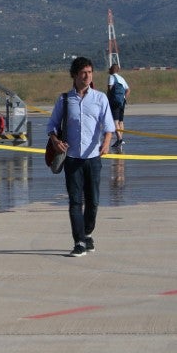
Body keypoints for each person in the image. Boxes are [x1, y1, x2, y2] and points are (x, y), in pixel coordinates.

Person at [47, 56, 114, 258]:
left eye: (90, 72)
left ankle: (87, 232)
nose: (87, 76)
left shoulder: (100, 98)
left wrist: (106, 141)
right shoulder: (65, 100)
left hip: (93, 158)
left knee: (93, 201)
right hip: (73, 159)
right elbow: (51, 126)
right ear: (75, 75)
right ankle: (78, 241)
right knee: (75, 201)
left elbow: (109, 126)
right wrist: (55, 141)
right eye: (83, 72)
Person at [107, 63, 130, 150]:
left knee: (115, 122)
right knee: (121, 121)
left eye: (110, 69)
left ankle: (119, 139)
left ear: (112, 70)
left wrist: (108, 99)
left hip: (115, 101)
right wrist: (124, 98)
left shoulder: (111, 77)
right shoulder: (121, 78)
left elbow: (109, 89)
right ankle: (120, 139)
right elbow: (128, 90)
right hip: (122, 102)